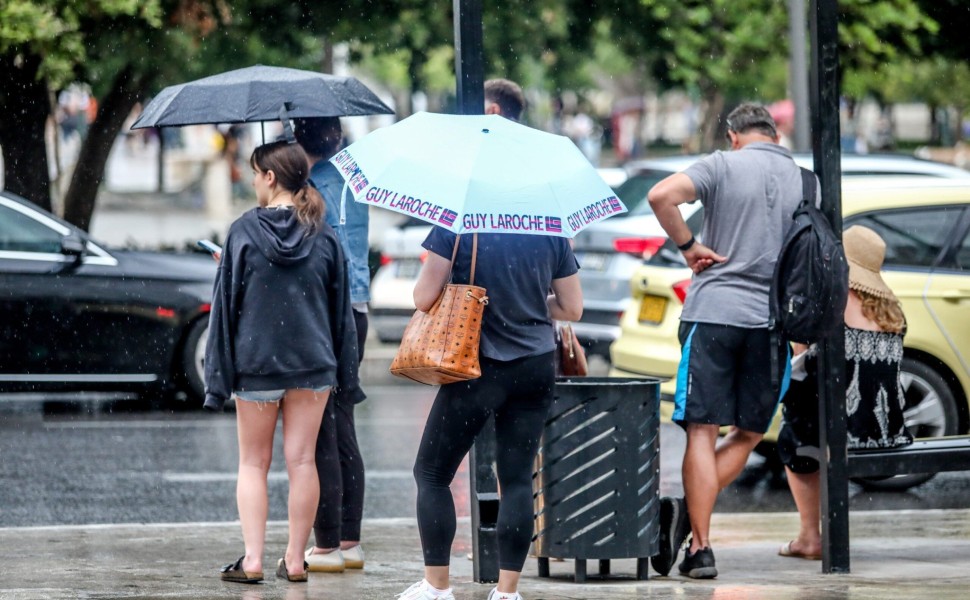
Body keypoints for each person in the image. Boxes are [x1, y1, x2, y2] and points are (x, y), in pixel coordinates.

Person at [396, 79, 583, 600]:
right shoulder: (548, 218)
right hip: (535, 363)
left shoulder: (459, 213)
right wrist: (529, 305)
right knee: (517, 478)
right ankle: (508, 592)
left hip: (477, 362)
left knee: (432, 471)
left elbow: (424, 296)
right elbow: (572, 306)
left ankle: (436, 588)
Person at [646, 103, 810, 579]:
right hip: (771, 323)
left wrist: (687, 246)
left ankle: (700, 546)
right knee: (750, 432)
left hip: (714, 314)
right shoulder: (805, 180)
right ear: (774, 136)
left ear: (734, 135)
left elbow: (661, 196)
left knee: (702, 429)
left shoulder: (721, 164)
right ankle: (687, 515)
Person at [204, 140, 362, 584]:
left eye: (256, 172)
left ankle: (252, 560)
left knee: (253, 463)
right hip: (313, 365)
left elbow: (226, 307)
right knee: (303, 462)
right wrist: (345, 376)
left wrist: (218, 378)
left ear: (270, 178)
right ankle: (296, 560)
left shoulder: (242, 232)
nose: (253, 180)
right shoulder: (325, 236)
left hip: (256, 364)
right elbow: (340, 315)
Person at [777, 225, 912, 560]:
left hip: (843, 430)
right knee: (812, 419)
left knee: (793, 437)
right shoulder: (892, 310)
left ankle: (810, 538)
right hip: (886, 429)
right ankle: (814, 535)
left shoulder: (831, 302)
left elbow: (799, 357)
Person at [294, 116, 371, 573]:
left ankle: (325, 548)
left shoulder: (308, 189)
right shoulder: (354, 180)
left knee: (319, 424)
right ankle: (349, 540)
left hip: (324, 310)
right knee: (342, 421)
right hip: (357, 308)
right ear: (337, 137)